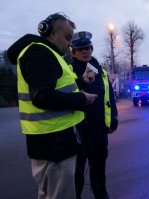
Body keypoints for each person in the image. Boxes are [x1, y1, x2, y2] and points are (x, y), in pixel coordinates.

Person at [7, 13, 98, 199]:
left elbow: (59, 89)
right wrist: (82, 99)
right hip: (54, 147)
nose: (69, 43)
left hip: (55, 144)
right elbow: (43, 97)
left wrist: (80, 82)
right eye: (67, 37)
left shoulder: (47, 54)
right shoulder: (39, 53)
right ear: (51, 33)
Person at [71, 31, 118, 199]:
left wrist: (113, 119)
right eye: (81, 49)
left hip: (98, 128)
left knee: (98, 166)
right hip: (77, 130)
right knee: (76, 172)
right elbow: (63, 96)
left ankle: (101, 194)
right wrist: (81, 81)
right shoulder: (68, 71)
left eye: (88, 48)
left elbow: (109, 97)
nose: (85, 52)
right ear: (73, 52)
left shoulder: (101, 71)